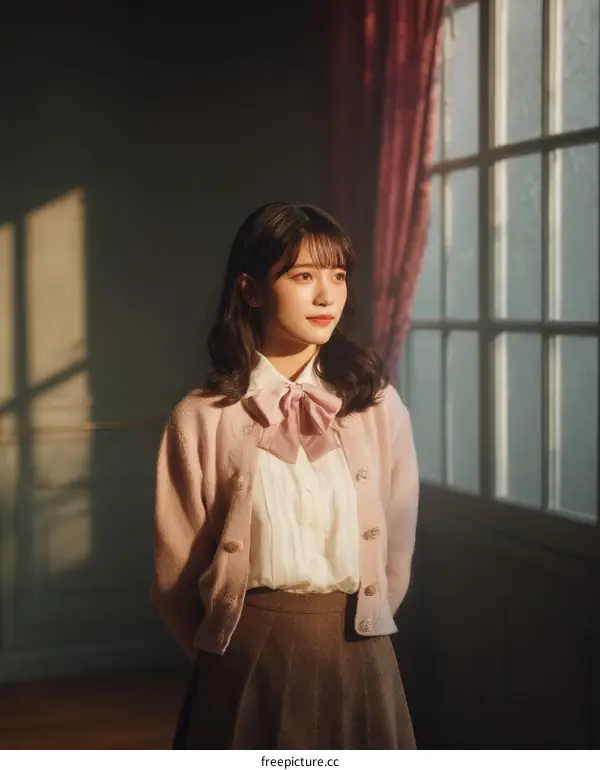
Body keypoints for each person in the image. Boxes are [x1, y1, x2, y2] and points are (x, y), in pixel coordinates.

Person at [151, 202, 420, 750]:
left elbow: (396, 555)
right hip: (244, 663)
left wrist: (364, 631)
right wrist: (227, 664)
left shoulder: (378, 407)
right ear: (251, 290)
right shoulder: (200, 417)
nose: (327, 296)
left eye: (338, 276)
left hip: (361, 650)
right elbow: (174, 581)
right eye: (303, 276)